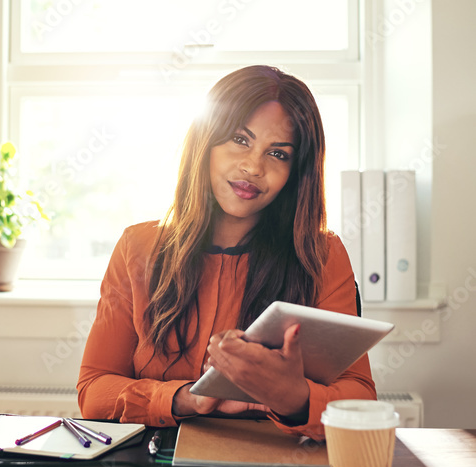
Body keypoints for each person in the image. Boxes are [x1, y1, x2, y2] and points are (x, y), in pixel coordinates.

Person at [77, 65, 375, 439]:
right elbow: (93, 389)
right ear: (206, 143)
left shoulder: (321, 254)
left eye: (279, 154)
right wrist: (188, 398)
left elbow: (361, 398)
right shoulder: (137, 247)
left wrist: (292, 397)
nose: (253, 166)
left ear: (296, 172)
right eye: (239, 139)